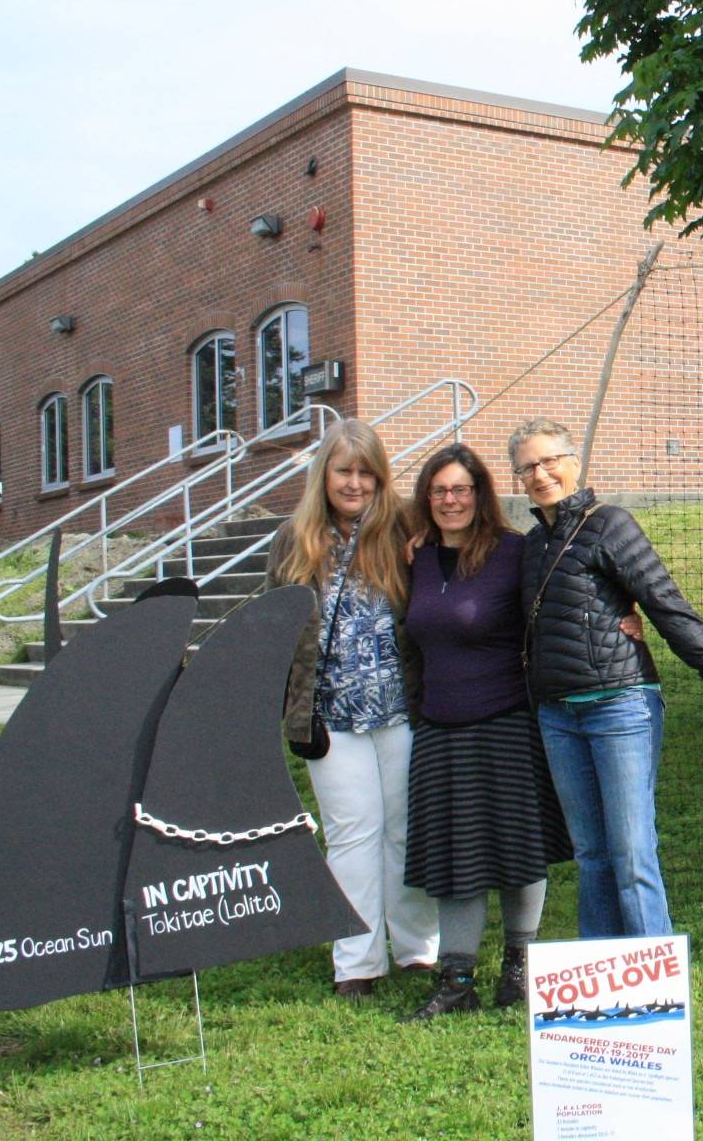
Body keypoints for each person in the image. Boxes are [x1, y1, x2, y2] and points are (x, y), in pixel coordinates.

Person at [510, 417, 703, 939]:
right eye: (528, 467)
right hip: (557, 716)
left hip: (620, 706)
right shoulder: (530, 547)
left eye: (549, 461)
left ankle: (654, 981)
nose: (541, 474)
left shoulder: (610, 523)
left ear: (573, 463)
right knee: (592, 854)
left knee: (632, 852)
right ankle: (604, 975)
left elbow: (663, 601)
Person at [399, 442, 577, 1019]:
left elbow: (561, 602)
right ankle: (456, 981)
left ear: (481, 495)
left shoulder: (513, 553)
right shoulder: (417, 558)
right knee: (457, 857)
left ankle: (519, 971)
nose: (451, 500)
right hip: (439, 729)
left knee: (518, 852)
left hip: (506, 723)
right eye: (440, 490)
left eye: (462, 489)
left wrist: (621, 619)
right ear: (428, 499)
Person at [268, 419, 438, 997]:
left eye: (367, 472)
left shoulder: (406, 530)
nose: (356, 483)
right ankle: (357, 961)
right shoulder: (295, 540)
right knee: (351, 834)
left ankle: (417, 949)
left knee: (404, 830)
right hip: (331, 720)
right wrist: (292, 713)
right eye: (345, 470)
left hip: (401, 711)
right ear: (325, 474)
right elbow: (276, 633)